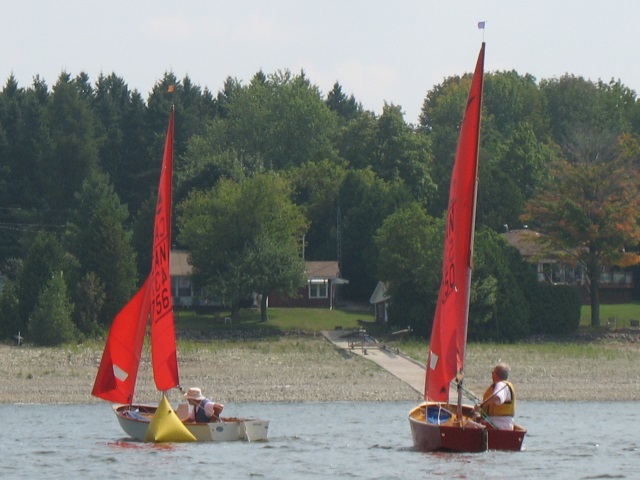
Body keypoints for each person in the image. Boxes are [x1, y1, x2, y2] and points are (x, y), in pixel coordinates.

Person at [474, 363, 516, 430]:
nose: (492, 374)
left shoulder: (501, 385)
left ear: (496, 374)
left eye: (493, 373)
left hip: (499, 424)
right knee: (474, 421)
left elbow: (497, 397)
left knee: (468, 425)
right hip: (503, 423)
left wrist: (481, 405)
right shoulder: (504, 385)